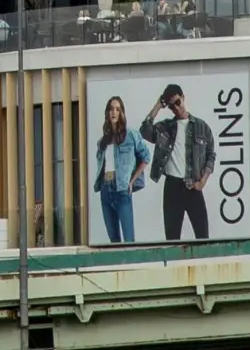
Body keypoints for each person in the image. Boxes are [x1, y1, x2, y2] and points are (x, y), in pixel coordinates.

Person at [140, 83, 218, 242]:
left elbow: (211, 155)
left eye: (177, 102)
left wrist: (202, 182)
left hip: (193, 186)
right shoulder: (165, 127)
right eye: (171, 106)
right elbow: (145, 131)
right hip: (172, 187)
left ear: (183, 98)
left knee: (203, 237)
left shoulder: (202, 127)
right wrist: (158, 105)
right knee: (172, 239)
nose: (176, 108)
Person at [93, 95, 151, 244]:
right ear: (107, 112)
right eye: (111, 109)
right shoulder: (102, 142)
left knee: (129, 239)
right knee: (114, 241)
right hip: (105, 190)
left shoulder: (131, 135)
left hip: (122, 189)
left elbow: (146, 157)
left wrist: (132, 181)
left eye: (117, 109)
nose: (114, 112)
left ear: (122, 113)